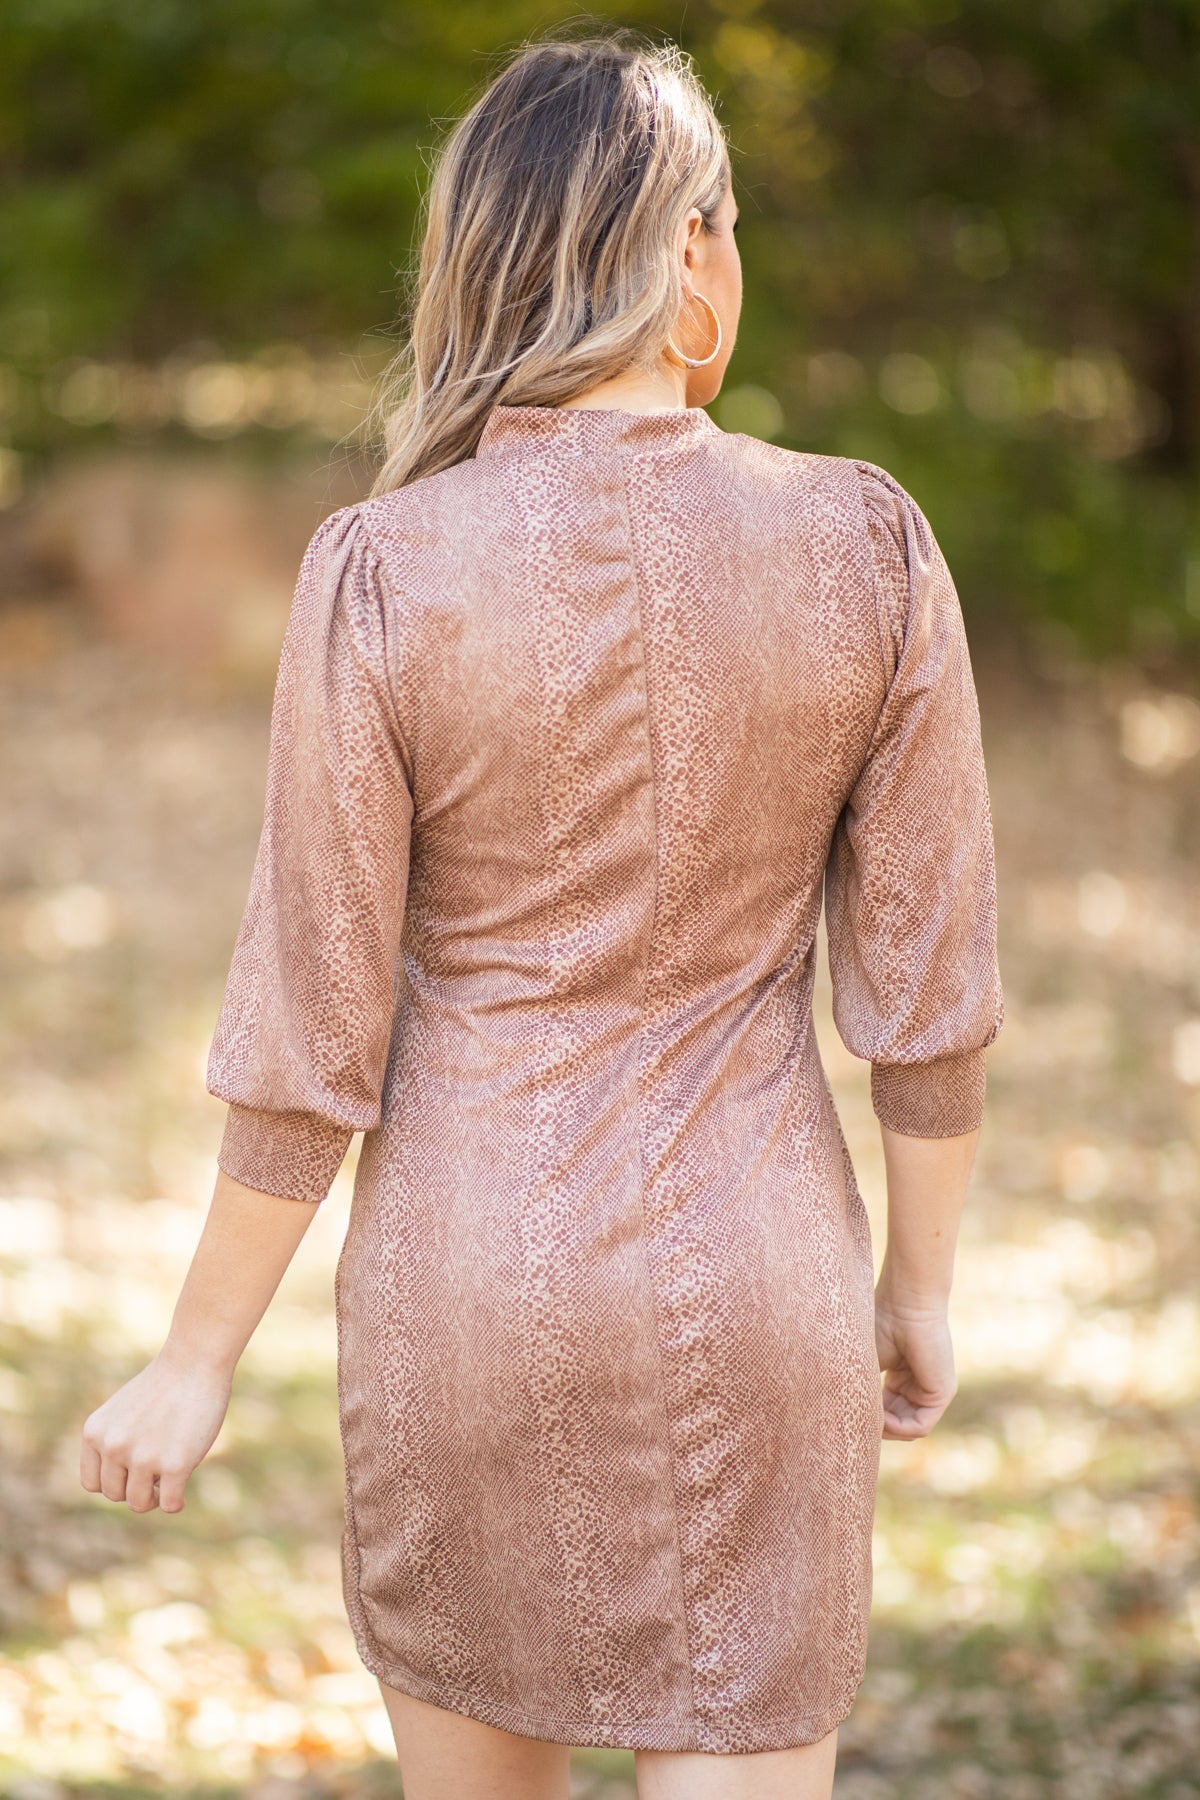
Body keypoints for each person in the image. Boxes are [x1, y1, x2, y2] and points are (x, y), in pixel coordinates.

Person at [79, 28, 1004, 1800]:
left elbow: (312, 1023)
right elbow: (930, 995)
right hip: (762, 1288)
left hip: (466, 1301)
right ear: (696, 252)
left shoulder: (384, 568)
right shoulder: (864, 544)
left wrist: (197, 1360)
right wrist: (918, 1287)